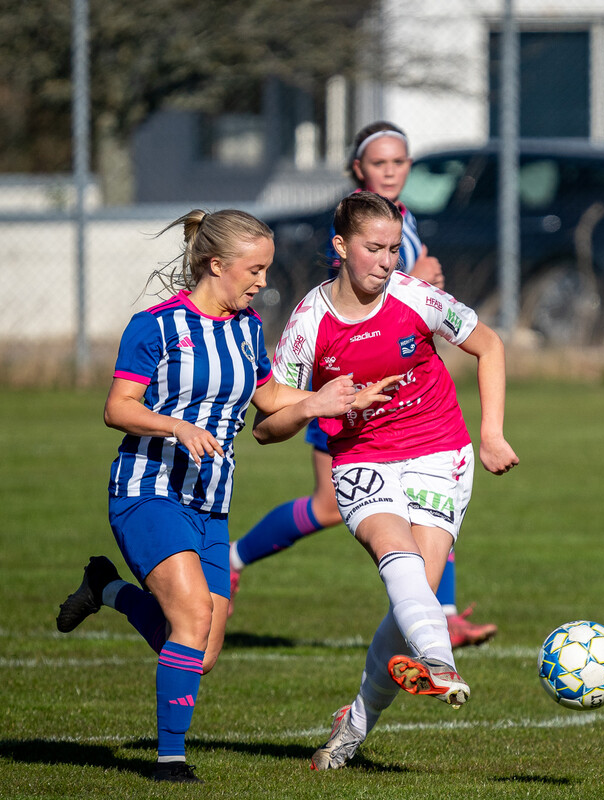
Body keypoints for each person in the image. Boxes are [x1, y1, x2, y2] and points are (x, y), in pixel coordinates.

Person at [53, 209, 385, 783]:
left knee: (200, 653)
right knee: (190, 619)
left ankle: (105, 587)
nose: (262, 282)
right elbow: (118, 408)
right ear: (215, 264)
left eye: (266, 270)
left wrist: (333, 399)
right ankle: (170, 763)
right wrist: (175, 426)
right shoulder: (156, 326)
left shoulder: (247, 327)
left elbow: (269, 397)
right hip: (148, 490)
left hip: (211, 502)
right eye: (254, 270)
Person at [252, 190, 518, 770]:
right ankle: (440, 661)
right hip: (362, 458)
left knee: (413, 594)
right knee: (396, 555)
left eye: (395, 249)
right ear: (341, 246)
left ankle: (354, 725)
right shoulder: (310, 322)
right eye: (374, 248)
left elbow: (489, 344)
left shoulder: (415, 296)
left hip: (440, 450)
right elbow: (266, 423)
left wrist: (492, 433)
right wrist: (317, 404)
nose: (386, 261)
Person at [227, 121, 498, 648]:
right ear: (359, 169)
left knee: (430, 495)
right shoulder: (353, 229)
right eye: (380, 163)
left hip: (404, 400)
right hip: (343, 388)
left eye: (400, 162)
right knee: (332, 505)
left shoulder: (402, 220)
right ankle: (234, 559)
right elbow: (355, 296)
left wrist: (424, 283)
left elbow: (411, 293)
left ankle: (439, 613)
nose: (391, 172)